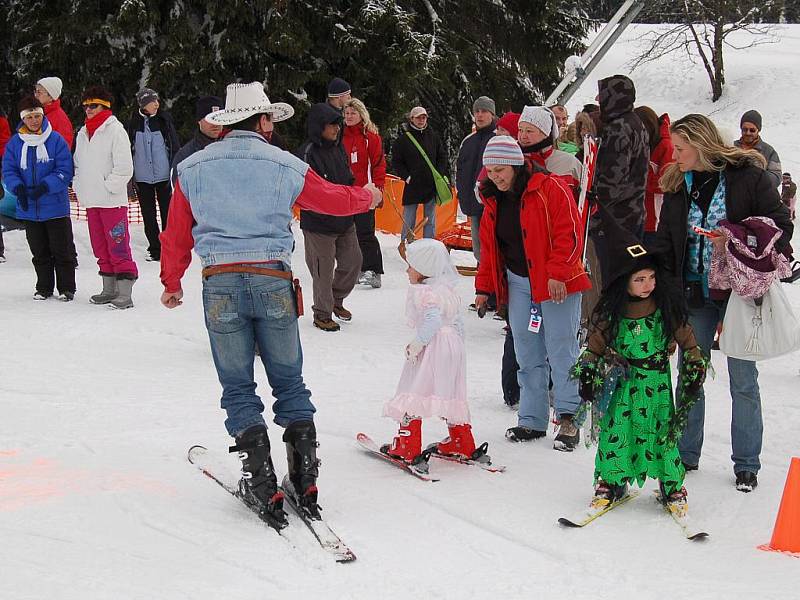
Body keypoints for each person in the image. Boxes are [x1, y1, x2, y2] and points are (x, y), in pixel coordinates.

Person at [159, 81, 381, 525]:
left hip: (219, 281)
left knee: (238, 386)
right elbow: (332, 200)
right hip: (272, 279)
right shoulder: (283, 163)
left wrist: (172, 280)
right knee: (290, 381)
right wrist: (368, 196)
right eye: (271, 121)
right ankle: (304, 478)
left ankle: (261, 480)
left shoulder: (193, 166)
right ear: (261, 121)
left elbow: (177, 229)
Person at [655, 113, 793, 492]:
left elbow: (782, 224)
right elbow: (667, 242)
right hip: (693, 293)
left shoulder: (746, 177)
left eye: (681, 148)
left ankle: (747, 464)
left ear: (701, 144)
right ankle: (686, 453)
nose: (676, 153)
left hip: (740, 294)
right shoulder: (677, 184)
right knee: (691, 373)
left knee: (743, 380)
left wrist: (736, 239)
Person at [573, 212, 707, 516]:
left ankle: (672, 486)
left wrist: (696, 364)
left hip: (657, 386)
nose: (647, 285)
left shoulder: (665, 308)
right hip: (624, 384)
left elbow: (687, 338)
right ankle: (611, 481)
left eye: (651, 278)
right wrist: (587, 372)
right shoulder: (613, 312)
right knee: (617, 431)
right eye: (639, 279)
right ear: (625, 282)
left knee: (662, 435)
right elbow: (595, 345)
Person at [475, 136, 590, 449]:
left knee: (561, 349)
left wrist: (558, 274)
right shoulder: (492, 200)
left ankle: (569, 417)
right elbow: (490, 249)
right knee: (526, 351)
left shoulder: (550, 188)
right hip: (518, 282)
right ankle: (532, 419)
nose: (494, 176)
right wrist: (484, 287)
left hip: (556, 282)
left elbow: (571, 233)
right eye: (489, 171)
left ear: (515, 165)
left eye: (500, 169)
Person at [382, 238, 477, 462]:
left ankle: (408, 444)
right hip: (453, 347)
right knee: (451, 392)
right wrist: (457, 347)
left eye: (411, 266)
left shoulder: (424, 292)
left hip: (433, 346)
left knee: (415, 390)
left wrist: (418, 343)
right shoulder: (447, 290)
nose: (407, 270)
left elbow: (433, 321)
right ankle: (462, 440)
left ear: (424, 270)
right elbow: (457, 322)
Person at [297, 102, 363, 332]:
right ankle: (322, 313)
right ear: (319, 126)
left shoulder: (338, 147)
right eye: (331, 124)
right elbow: (308, 190)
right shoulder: (307, 152)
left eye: (338, 124)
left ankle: (335, 299)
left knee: (353, 262)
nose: (336, 128)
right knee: (322, 272)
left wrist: (356, 197)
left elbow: (347, 177)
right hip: (318, 223)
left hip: (345, 219)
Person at [1, 96, 75, 299]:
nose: (34, 120)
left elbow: (64, 169)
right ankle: (44, 287)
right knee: (39, 251)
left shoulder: (56, 140)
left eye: (37, 116)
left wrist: (45, 186)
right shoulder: (16, 143)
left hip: (55, 206)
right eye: (30, 117)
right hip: (29, 208)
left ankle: (66, 287)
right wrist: (18, 189)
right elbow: (9, 169)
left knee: (62, 251)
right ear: (23, 119)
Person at [72, 85, 138, 309]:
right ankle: (108, 289)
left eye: (94, 105)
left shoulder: (115, 130)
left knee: (118, 245)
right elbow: (78, 165)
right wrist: (80, 187)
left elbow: (124, 167)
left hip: (111, 203)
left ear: (105, 107)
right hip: (92, 202)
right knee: (100, 247)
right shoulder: (83, 133)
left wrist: (108, 187)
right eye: (86, 106)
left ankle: (125, 291)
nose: (88, 110)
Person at [590, 75, 649, 282]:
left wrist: (591, 205)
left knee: (614, 281)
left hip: (614, 221)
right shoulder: (636, 122)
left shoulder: (618, 129)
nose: (598, 100)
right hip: (634, 213)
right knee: (629, 276)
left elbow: (611, 183)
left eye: (602, 95)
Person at [127, 88, 180, 262]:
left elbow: (174, 146)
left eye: (157, 100)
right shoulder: (133, 123)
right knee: (148, 215)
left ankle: (169, 247)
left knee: (168, 213)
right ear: (143, 104)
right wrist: (130, 177)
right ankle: (155, 248)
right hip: (142, 178)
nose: (157, 104)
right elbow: (128, 150)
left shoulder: (164, 120)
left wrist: (174, 170)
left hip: (163, 175)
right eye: (152, 101)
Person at [343, 98, 386, 289]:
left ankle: (374, 270)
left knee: (365, 232)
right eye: (346, 113)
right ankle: (355, 268)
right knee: (346, 232)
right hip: (345, 192)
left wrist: (378, 188)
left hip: (365, 192)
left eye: (353, 113)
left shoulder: (371, 137)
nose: (349, 116)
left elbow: (378, 164)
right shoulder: (339, 136)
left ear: (361, 114)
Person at [391, 106, 449, 240]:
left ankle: (429, 245)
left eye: (423, 117)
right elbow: (397, 162)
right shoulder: (403, 140)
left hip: (430, 184)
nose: (421, 120)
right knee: (409, 218)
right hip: (413, 185)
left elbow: (442, 156)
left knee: (430, 220)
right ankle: (406, 244)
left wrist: (438, 174)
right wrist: (407, 177)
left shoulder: (433, 137)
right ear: (411, 119)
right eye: (418, 117)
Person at [456, 96, 496, 261]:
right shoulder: (468, 141)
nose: (479, 115)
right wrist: (461, 193)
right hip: (472, 202)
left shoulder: (498, 139)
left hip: (491, 204)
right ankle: (482, 279)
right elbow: (460, 169)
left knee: (491, 247)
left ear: (492, 114)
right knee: (478, 249)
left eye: (484, 111)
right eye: (476, 111)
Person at [634, 106, 674, 245]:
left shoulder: (666, 145)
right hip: (641, 216)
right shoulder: (647, 144)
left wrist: (639, 178)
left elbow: (667, 183)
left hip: (656, 218)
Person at [517, 105, 582, 192]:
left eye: (529, 131)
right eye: (520, 130)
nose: (523, 136)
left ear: (546, 133)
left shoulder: (568, 162)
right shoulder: (512, 160)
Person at [170, 96, 223, 185]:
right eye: (210, 119)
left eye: (219, 118)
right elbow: (178, 191)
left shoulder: (233, 149)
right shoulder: (185, 155)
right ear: (199, 121)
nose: (215, 124)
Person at [734, 110, 782, 188]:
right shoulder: (731, 147)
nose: (748, 133)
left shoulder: (769, 151)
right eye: (744, 129)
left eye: (752, 130)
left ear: (758, 130)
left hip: (756, 196)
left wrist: (758, 174)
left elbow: (777, 177)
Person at [33, 77, 73, 150]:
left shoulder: (60, 119)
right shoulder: (39, 114)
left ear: (51, 96)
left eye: (39, 92)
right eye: (35, 91)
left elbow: (64, 149)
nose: (36, 95)